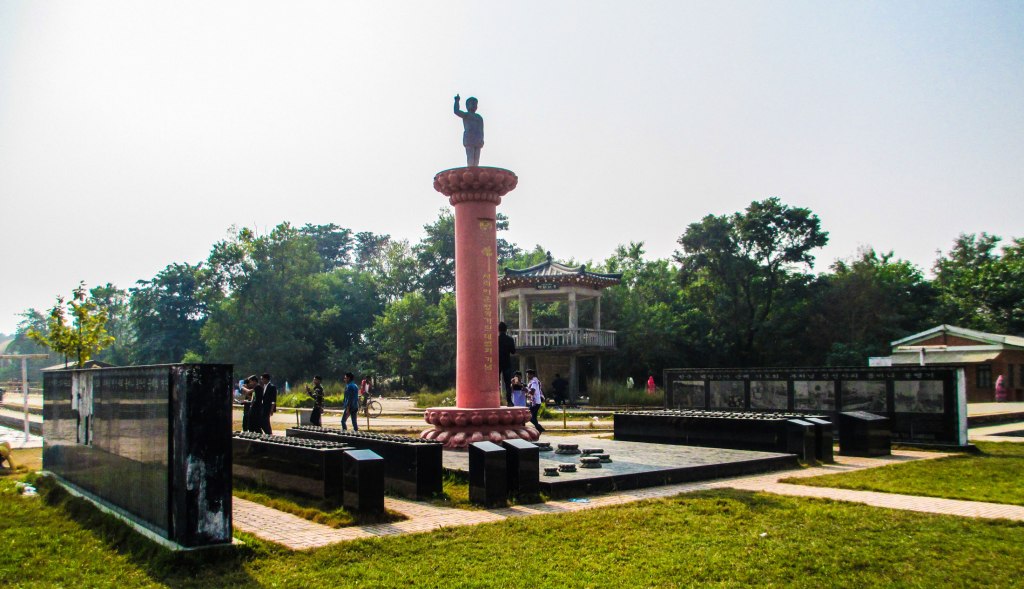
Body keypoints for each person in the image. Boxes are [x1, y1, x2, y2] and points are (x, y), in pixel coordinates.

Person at [453, 94, 484, 167]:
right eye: (472, 103)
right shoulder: (466, 115)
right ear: (467, 105)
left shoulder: (479, 117)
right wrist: (457, 101)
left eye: (475, 104)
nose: (474, 105)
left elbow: (481, 129)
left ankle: (474, 171)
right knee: (470, 159)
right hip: (469, 138)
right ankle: (470, 171)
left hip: (478, 139)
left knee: (476, 159)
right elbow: (456, 111)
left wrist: (482, 139)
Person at [498, 322, 516, 406]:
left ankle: (496, 400)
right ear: (506, 330)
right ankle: (509, 401)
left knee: (496, 383)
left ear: (498, 329)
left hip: (497, 363)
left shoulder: (495, 339)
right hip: (507, 363)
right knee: (507, 383)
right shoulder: (510, 339)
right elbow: (513, 351)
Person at [526, 369, 545, 433]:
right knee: (534, 417)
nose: (527, 376)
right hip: (536, 401)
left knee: (528, 416)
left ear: (532, 374)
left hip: (535, 402)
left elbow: (532, 392)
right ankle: (538, 429)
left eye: (528, 374)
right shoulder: (535, 381)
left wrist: (526, 390)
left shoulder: (534, 381)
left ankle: (539, 427)